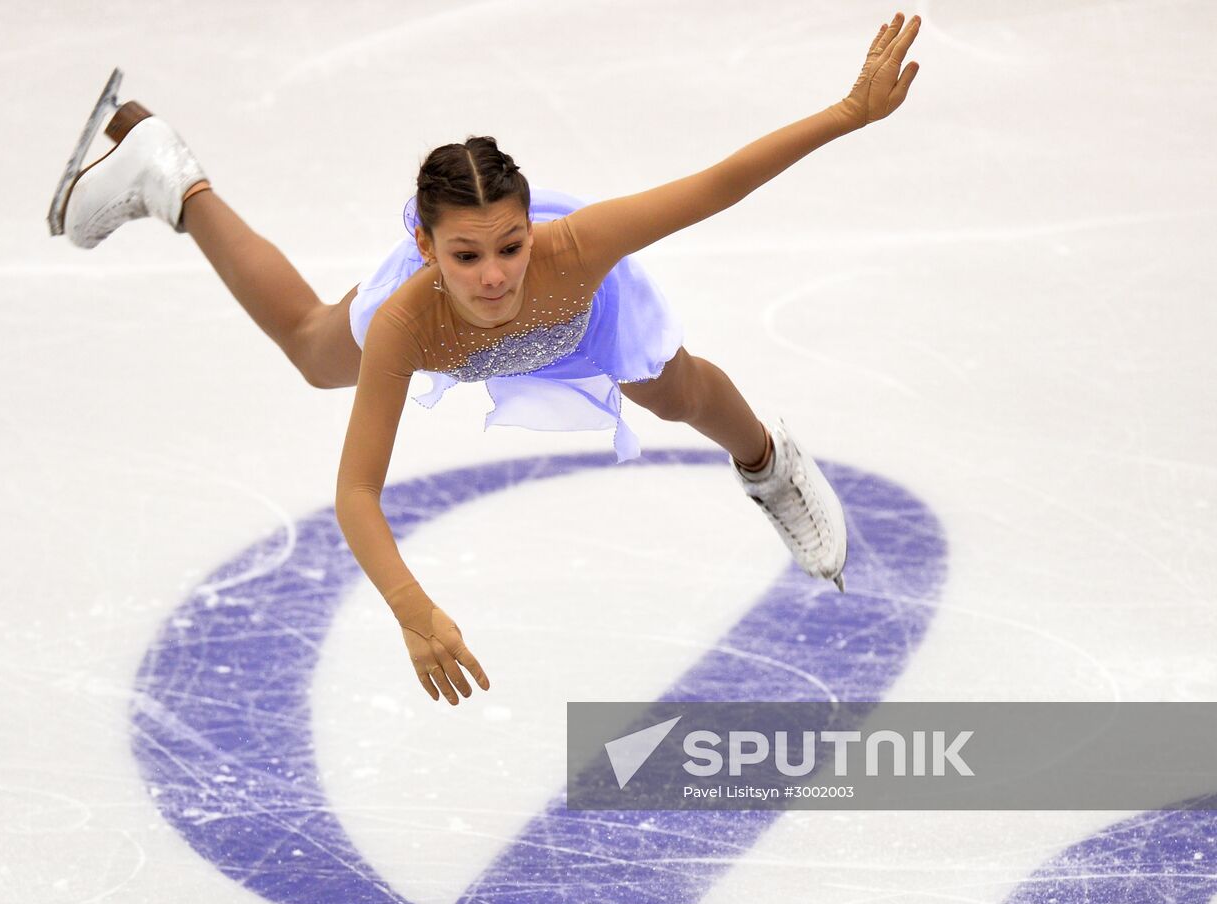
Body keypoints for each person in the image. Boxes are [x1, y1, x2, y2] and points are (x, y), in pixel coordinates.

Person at [50, 13, 922, 707]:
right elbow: (357, 491)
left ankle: (770, 468)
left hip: (581, 320)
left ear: (531, 222)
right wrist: (412, 608)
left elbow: (718, 184)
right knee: (316, 353)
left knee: (674, 389)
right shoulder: (406, 322)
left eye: (509, 245)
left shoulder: (576, 249)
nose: (496, 275)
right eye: (467, 256)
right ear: (426, 249)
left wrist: (848, 113)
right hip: (434, 327)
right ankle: (172, 177)